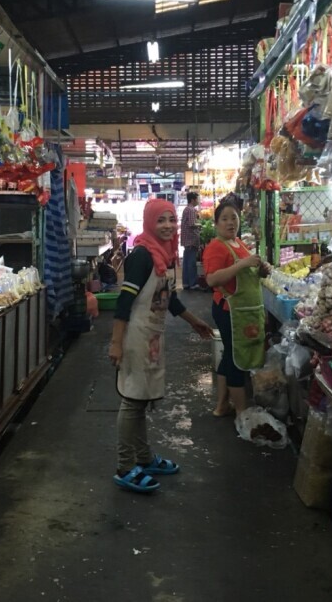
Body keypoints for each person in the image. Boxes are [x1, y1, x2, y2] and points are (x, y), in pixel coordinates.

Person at [108, 199, 213, 494]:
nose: (167, 225)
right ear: (149, 223)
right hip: (134, 337)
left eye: (171, 220)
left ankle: (144, 458)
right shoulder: (141, 256)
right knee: (132, 401)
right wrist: (116, 343)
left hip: (151, 336)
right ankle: (125, 466)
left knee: (140, 401)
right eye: (161, 220)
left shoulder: (163, 255)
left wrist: (194, 321)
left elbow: (170, 299)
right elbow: (124, 302)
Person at [203, 199, 270, 417]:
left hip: (243, 311)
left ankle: (222, 405)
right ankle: (242, 412)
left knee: (230, 356)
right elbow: (212, 279)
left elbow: (245, 273)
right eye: (225, 219)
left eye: (234, 218)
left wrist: (260, 270)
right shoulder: (216, 247)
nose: (230, 222)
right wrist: (242, 263)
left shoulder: (238, 243)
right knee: (236, 359)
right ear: (216, 224)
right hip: (228, 311)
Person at [180, 192, 201, 290]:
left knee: (186, 262)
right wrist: (201, 225)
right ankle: (193, 284)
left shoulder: (186, 209)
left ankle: (186, 283)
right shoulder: (191, 210)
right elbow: (192, 224)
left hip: (186, 240)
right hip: (191, 240)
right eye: (197, 199)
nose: (198, 201)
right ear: (192, 200)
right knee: (191, 263)